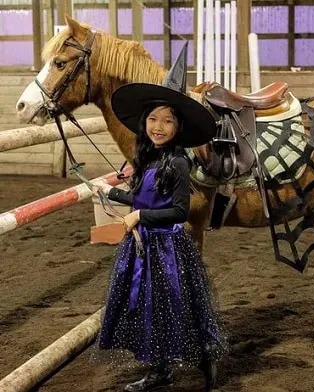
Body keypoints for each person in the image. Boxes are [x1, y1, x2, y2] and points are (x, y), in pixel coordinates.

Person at [93, 43, 227, 392]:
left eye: (167, 121)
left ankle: (207, 356)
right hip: (142, 249)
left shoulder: (179, 163)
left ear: (178, 126)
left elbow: (179, 212)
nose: (159, 126)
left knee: (181, 306)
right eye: (153, 119)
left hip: (168, 247)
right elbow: (140, 196)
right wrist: (112, 193)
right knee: (149, 310)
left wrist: (139, 214)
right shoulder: (147, 160)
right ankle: (158, 371)